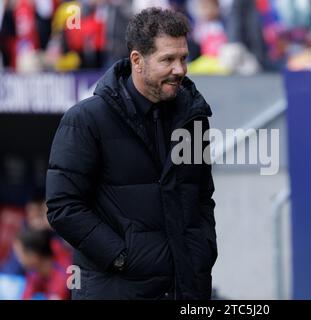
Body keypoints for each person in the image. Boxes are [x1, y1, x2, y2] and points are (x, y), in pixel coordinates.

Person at [45, 7, 217, 300]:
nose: (180, 69)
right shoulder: (86, 119)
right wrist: (122, 257)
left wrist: (202, 252)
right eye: (168, 60)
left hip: (185, 289)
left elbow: (201, 197)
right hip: (115, 289)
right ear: (137, 60)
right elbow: (64, 207)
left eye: (183, 58)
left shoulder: (193, 118)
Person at [13, 228, 70, 300]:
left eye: (19, 254)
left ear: (33, 254)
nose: (18, 259)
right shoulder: (34, 273)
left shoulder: (63, 274)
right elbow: (26, 296)